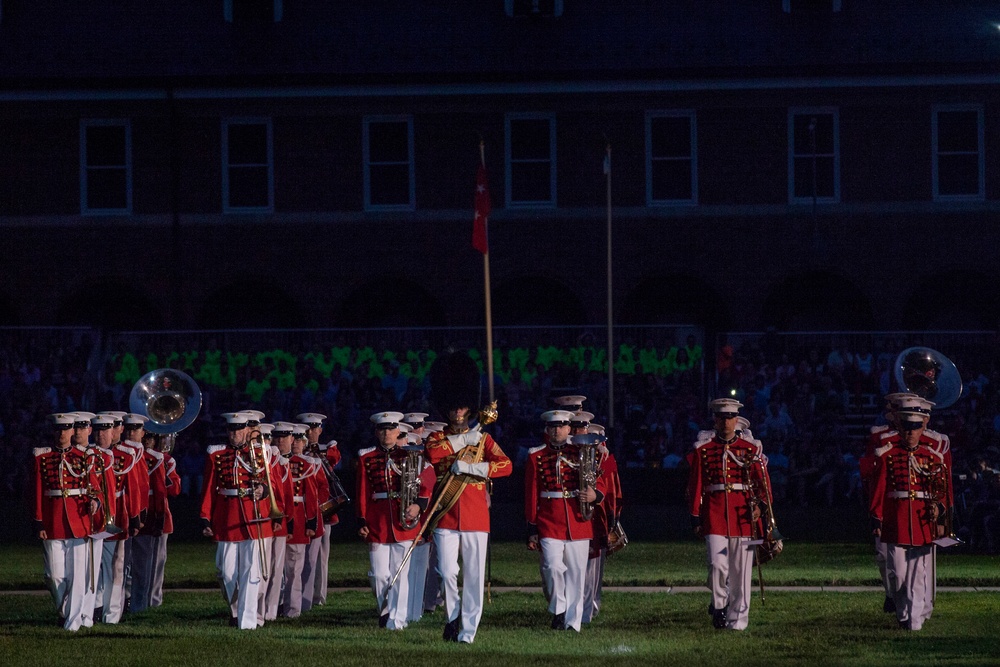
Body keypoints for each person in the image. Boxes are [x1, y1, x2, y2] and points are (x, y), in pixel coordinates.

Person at [424, 352, 512, 644]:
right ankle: (452, 617)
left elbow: (506, 465)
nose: (458, 412)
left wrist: (475, 467)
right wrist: (463, 441)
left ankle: (467, 632)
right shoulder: (437, 437)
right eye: (453, 408)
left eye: (462, 407)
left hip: (475, 515)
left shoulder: (484, 439)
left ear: (469, 408)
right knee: (446, 571)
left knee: (473, 578)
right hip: (446, 514)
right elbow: (434, 454)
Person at [686, 398, 774, 631]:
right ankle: (720, 605)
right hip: (714, 514)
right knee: (717, 564)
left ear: (737, 420)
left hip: (743, 515)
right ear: (714, 419)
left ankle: (738, 621)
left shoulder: (750, 450)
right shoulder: (704, 450)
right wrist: (695, 515)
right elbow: (696, 485)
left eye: (730, 417)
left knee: (741, 571)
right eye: (721, 417)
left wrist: (761, 507)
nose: (725, 422)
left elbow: (763, 483)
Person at [869, 398, 953, 631]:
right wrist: (877, 516)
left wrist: (941, 513)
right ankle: (902, 609)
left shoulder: (932, 456)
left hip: (922, 520)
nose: (910, 431)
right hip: (896, 518)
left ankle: (914, 622)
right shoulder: (887, 454)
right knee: (897, 572)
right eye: (906, 425)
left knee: (918, 574)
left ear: (923, 426)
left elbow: (942, 490)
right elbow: (880, 488)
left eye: (915, 426)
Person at [525, 410, 605, 632]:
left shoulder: (582, 452)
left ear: (569, 429)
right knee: (552, 567)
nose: (557, 430)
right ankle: (559, 608)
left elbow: (599, 479)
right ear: (547, 430)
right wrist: (532, 526)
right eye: (552, 427)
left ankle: (572, 622)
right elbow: (531, 494)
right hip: (549, 520)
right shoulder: (536, 456)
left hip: (578, 519)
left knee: (577, 575)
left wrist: (595, 495)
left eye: (561, 426)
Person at [199, 412, 275, 629]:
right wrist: (205, 518)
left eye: (239, 430)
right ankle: (235, 610)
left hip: (254, 516)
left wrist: (264, 490)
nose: (235, 434)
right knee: (226, 572)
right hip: (226, 518)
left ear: (246, 431)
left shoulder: (263, 453)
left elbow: (273, 483)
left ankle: (247, 622)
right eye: (232, 430)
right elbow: (208, 489)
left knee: (251, 572)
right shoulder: (216, 454)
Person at [356, 411, 430, 629]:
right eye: (382, 429)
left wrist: (419, 506)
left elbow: (426, 483)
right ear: (376, 432)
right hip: (377, 519)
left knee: (400, 572)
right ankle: (386, 610)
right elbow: (362, 491)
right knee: (378, 574)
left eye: (391, 429)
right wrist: (361, 520)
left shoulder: (410, 455)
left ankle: (396, 620)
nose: (387, 433)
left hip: (403, 518)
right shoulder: (366, 458)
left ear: (399, 431)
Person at [32, 413, 103, 631]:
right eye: (58, 430)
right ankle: (66, 611)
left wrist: (95, 502)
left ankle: (72, 623)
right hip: (53, 521)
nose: (62, 434)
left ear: (72, 431)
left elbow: (96, 488)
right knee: (53, 575)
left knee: (78, 575)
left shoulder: (84, 456)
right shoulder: (42, 457)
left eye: (65, 429)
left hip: (78, 520)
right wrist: (39, 521)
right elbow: (36, 491)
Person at [297, 412, 338, 609]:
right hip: (302, 509)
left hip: (324, 510)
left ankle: (318, 595)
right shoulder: (297, 448)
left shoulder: (327, 449)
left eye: (314, 428)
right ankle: (301, 595)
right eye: (307, 428)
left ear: (320, 430)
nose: (311, 432)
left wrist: (315, 452)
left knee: (321, 556)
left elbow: (333, 460)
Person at [281, 423, 319, 618]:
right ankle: (277, 604)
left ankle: (293, 608)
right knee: (275, 567)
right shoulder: (273, 462)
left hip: (298, 519)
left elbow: (311, 495)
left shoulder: (304, 464)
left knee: (295, 568)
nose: (294, 442)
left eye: (297, 439)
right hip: (279, 520)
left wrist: (311, 523)